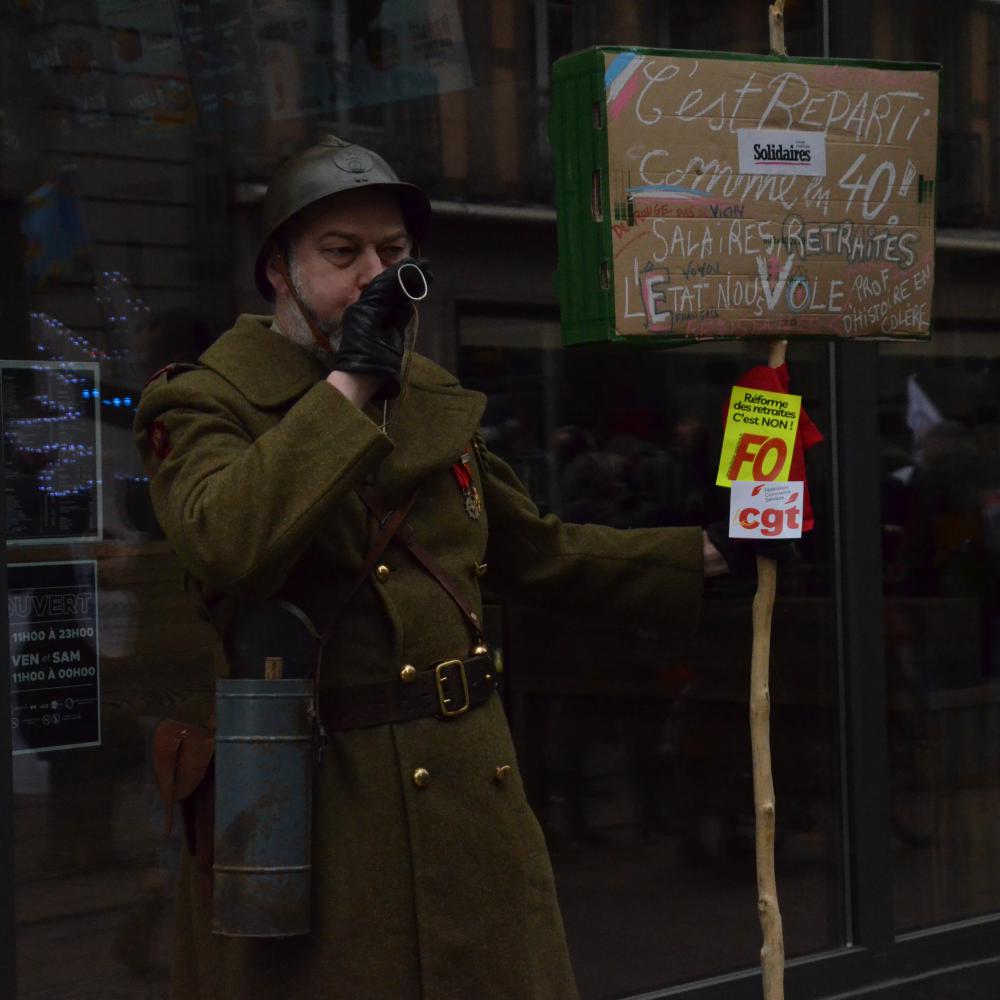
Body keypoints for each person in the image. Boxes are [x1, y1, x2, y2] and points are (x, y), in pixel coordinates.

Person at [135, 134, 729, 1000]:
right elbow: (227, 538)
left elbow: (536, 551)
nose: (374, 275)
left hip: (470, 795)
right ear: (278, 271)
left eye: (394, 253)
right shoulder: (202, 400)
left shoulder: (433, 400)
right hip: (319, 807)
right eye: (343, 254)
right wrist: (350, 387)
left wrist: (708, 552)